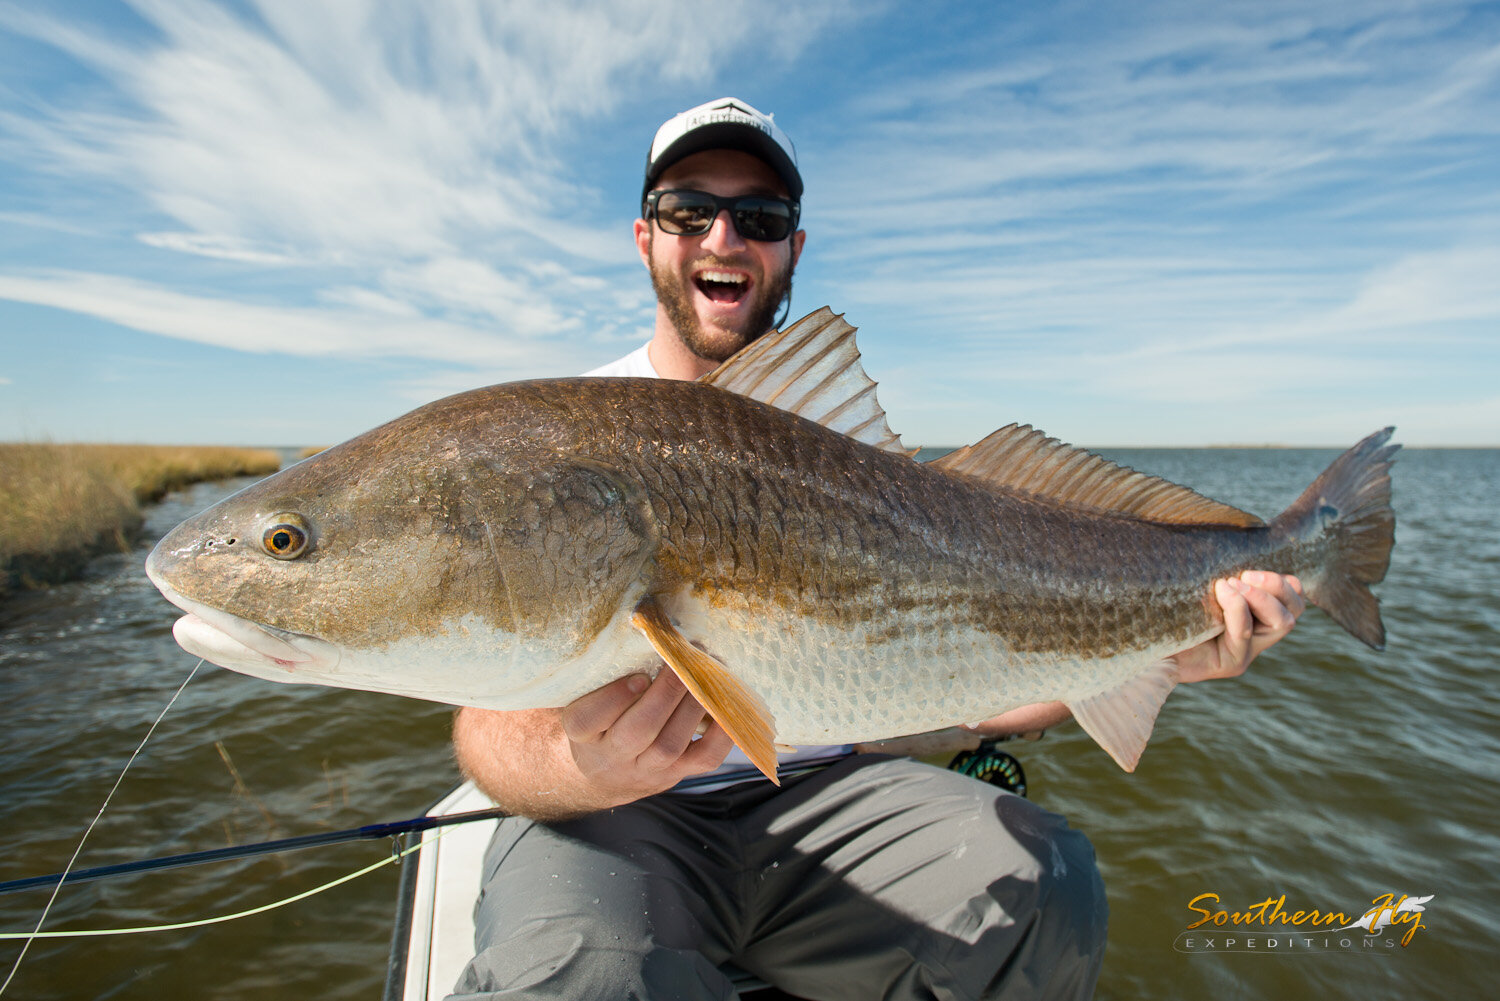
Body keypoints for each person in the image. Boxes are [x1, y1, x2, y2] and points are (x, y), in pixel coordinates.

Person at [448, 97, 1306, 1000]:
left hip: (832, 803)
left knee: (1049, 888)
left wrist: (1161, 655)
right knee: (590, 981)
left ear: (794, 249)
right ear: (644, 235)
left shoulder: (851, 458)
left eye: (762, 218)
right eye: (689, 211)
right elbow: (483, 729)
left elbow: (972, 678)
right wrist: (577, 766)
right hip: (617, 819)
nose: (724, 237)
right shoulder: (547, 442)